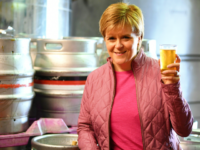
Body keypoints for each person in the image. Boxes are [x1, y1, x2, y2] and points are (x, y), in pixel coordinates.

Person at [77, 2, 193, 150]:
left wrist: (173, 88)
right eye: (111, 38)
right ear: (104, 39)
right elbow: (85, 127)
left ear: (139, 38)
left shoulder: (161, 72)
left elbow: (184, 130)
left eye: (125, 37)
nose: (118, 45)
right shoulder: (94, 79)